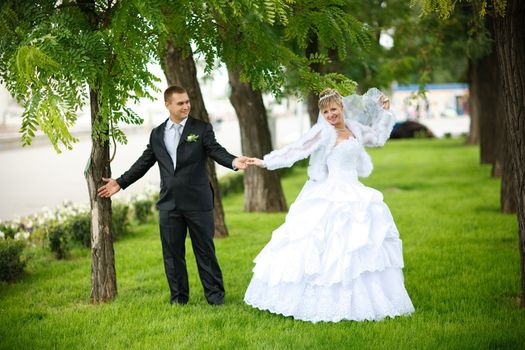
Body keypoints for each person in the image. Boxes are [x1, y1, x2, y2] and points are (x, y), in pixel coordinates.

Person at [244, 88, 415, 322]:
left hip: (353, 189)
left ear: (342, 107)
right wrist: (265, 162)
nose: (330, 115)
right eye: (325, 112)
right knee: (325, 244)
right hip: (331, 190)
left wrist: (385, 113)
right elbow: (296, 149)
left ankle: (365, 299)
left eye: (333, 109)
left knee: (360, 244)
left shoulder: (354, 128)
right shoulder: (323, 133)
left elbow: (377, 137)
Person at [98, 86, 249, 305]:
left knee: (205, 252)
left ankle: (215, 298)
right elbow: (144, 162)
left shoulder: (201, 128)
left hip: (198, 202)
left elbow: (215, 150)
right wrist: (120, 182)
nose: (186, 106)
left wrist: (234, 161)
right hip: (169, 204)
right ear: (167, 104)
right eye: (180, 103)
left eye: (187, 102)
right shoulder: (158, 133)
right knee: (172, 255)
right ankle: (178, 299)